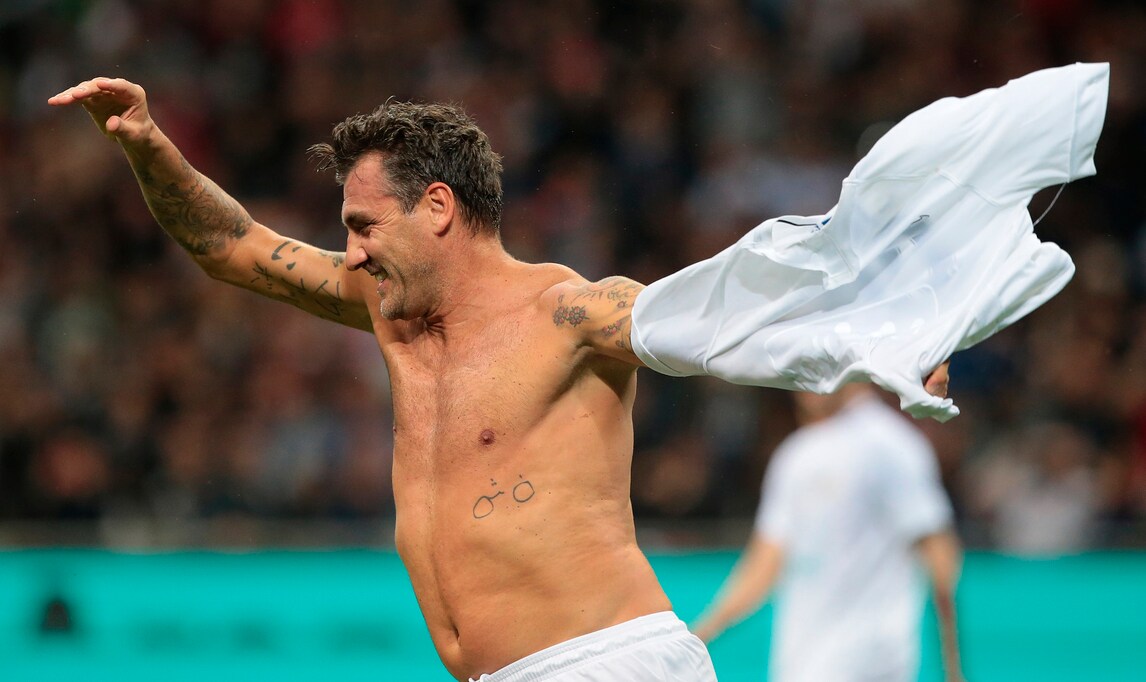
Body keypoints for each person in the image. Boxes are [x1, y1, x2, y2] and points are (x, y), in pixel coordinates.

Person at [51, 62, 1103, 681]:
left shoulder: (567, 312)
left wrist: (883, 335)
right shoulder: (389, 312)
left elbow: (730, 313)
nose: (352, 252)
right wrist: (147, 144)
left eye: (364, 226)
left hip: (608, 665)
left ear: (438, 208)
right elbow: (233, 248)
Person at [691, 384, 964, 682]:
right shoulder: (797, 453)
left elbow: (939, 554)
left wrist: (952, 666)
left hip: (869, 663)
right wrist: (698, 637)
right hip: (806, 662)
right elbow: (764, 565)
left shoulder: (890, 445)